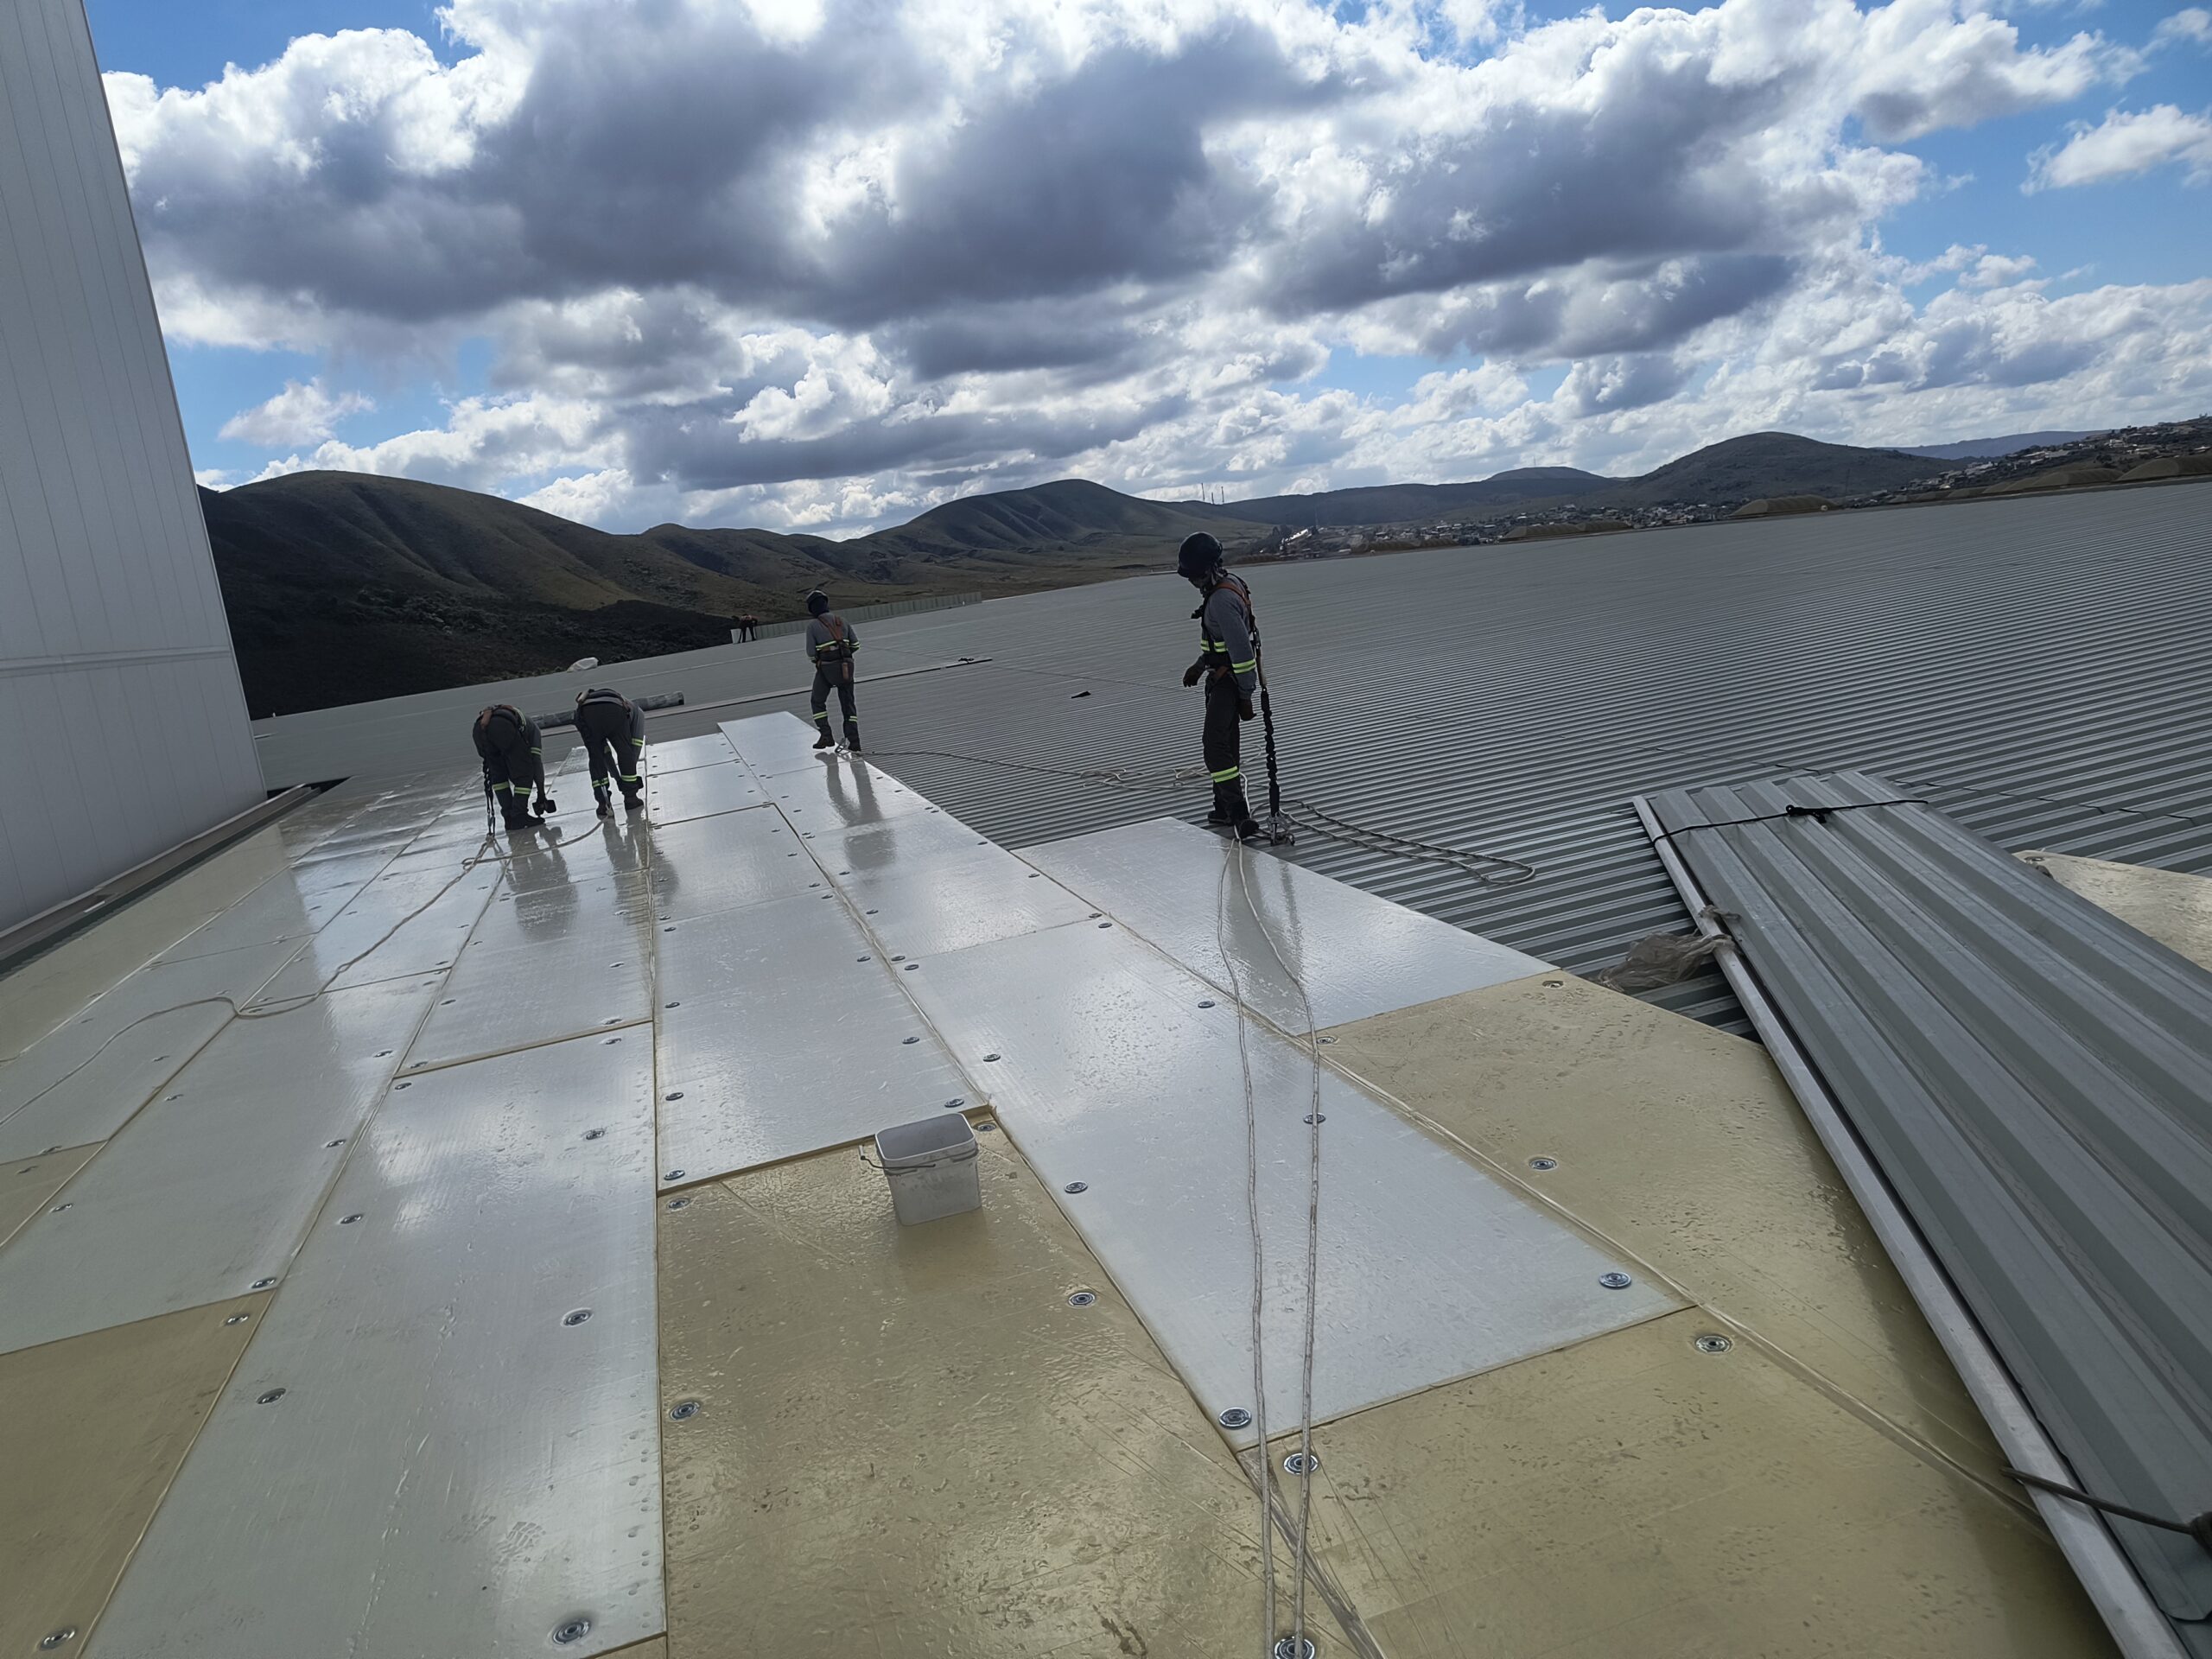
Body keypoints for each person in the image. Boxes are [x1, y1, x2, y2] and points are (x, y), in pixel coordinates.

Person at [1177, 533, 1264, 841]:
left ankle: (1239, 814)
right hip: (1222, 676)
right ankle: (1223, 808)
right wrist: (1200, 666)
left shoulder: (1221, 601)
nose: (1191, 581)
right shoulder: (1226, 586)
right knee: (1227, 745)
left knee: (1215, 747)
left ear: (1207, 569)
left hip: (1228, 682)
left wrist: (1245, 695)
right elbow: (1221, 645)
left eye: (1193, 575)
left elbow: (1241, 653)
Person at [473, 703, 551, 830]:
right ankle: (519, 815)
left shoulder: (514, 721)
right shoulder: (534, 730)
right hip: (503, 729)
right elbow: (536, 763)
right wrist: (541, 793)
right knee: (525, 774)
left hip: (479, 731)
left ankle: (509, 818)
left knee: (499, 777)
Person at [572, 685, 646, 818]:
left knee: (596, 756)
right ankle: (631, 799)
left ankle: (603, 804)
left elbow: (605, 755)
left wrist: (618, 779)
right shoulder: (638, 715)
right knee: (625, 751)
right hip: (612, 709)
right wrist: (627, 783)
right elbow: (632, 752)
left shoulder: (628, 707)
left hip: (584, 713)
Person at [803, 589, 861, 752]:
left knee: (817, 701)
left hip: (826, 669)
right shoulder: (842, 621)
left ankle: (826, 735)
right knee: (848, 705)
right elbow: (856, 645)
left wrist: (822, 661)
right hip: (846, 668)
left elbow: (811, 653)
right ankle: (854, 742)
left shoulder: (813, 626)